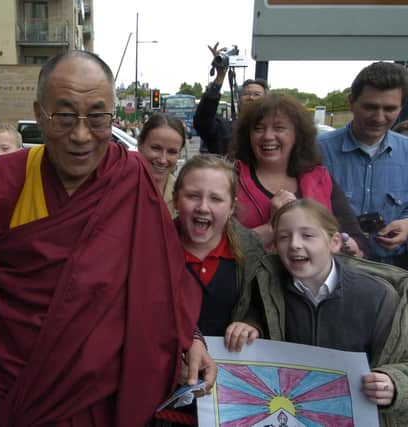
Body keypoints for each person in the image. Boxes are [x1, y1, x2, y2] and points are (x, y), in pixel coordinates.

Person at [0, 50, 217, 426]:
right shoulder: (10, 173)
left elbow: (160, 276)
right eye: (64, 116)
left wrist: (189, 337)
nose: (81, 135)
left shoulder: (132, 177)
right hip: (16, 370)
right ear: (39, 111)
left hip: (99, 388)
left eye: (97, 118)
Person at [241, 199, 408, 427]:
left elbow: (402, 360)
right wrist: (250, 325)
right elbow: (257, 317)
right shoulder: (267, 286)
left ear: (335, 242)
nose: (294, 245)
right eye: (283, 237)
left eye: (307, 235)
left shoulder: (378, 296)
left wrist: (394, 384)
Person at [230, 93, 367, 255]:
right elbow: (215, 246)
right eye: (258, 129)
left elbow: (356, 239)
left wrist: (348, 246)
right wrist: (273, 227)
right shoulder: (230, 179)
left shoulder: (320, 177)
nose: (267, 136)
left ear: (298, 135)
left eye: (279, 128)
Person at [319, 62, 408, 267]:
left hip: (395, 269)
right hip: (334, 267)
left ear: (401, 107)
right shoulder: (316, 152)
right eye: (370, 107)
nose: (379, 117)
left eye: (389, 109)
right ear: (351, 102)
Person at [172, 155, 265, 345]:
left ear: (231, 207)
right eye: (193, 196)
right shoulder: (152, 249)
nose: (203, 207)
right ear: (175, 200)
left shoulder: (251, 253)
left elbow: (262, 306)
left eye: (216, 199)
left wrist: (251, 324)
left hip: (230, 366)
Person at [194, 42, 268, 155]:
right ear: (238, 100)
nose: (251, 98)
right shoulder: (224, 130)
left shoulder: (273, 132)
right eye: (246, 94)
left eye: (257, 94)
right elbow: (202, 120)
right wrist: (219, 77)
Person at [138, 112, 185, 217]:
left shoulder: (183, 195)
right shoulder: (119, 189)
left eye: (172, 152)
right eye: (156, 148)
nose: (163, 160)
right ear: (140, 145)